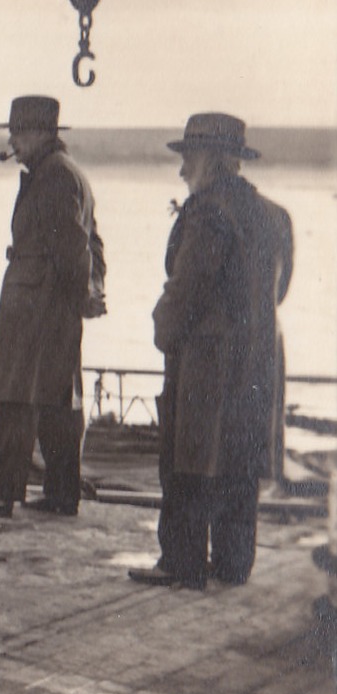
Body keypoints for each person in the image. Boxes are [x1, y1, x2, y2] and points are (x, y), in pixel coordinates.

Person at [129, 114, 293, 590]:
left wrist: (164, 329)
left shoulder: (206, 213)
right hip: (260, 355)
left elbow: (186, 290)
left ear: (212, 161)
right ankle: (233, 564)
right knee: (240, 460)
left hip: (208, 361)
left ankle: (180, 564)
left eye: (188, 158)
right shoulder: (276, 215)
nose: (183, 171)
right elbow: (278, 290)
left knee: (187, 462)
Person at [0, 95, 106, 517]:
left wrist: (77, 293)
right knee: (58, 401)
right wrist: (90, 294)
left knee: (17, 397)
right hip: (56, 309)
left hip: (38, 308)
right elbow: (91, 244)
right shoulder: (69, 175)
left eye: (18, 133)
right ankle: (61, 493)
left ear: (37, 135)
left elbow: (74, 249)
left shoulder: (51, 176)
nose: (13, 141)